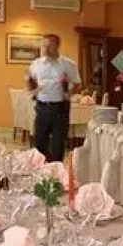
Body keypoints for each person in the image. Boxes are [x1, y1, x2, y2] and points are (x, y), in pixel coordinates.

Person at [26, 34, 81, 162]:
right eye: (44, 45)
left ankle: (55, 169)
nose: (45, 49)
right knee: (39, 143)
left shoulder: (68, 64)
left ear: (57, 46)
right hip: (42, 107)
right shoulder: (35, 64)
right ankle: (44, 167)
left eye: (49, 46)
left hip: (60, 108)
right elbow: (32, 83)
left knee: (58, 144)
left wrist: (69, 93)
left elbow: (77, 84)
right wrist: (30, 84)